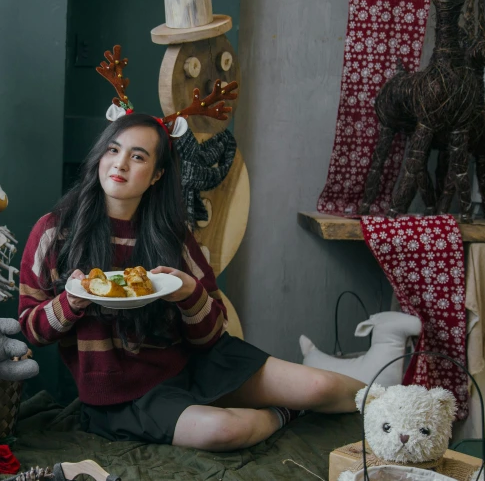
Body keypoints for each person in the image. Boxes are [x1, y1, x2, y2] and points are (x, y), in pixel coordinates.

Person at [18, 113, 365, 451]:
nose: (120, 164)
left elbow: (211, 334)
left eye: (137, 156)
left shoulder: (172, 237)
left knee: (323, 386)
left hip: (193, 364)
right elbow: (31, 330)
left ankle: (401, 403)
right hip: (121, 395)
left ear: (157, 175)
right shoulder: (54, 232)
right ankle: (285, 413)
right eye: (113, 149)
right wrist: (71, 302)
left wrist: (188, 294)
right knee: (224, 430)